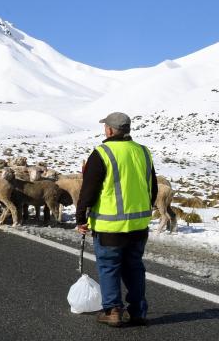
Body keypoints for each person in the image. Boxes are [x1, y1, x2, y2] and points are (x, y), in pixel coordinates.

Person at [76, 112, 157, 327]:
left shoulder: (102, 153)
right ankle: (138, 311)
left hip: (109, 226)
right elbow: (153, 187)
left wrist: (80, 218)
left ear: (110, 130)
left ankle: (112, 310)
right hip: (139, 225)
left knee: (109, 267)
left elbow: (88, 190)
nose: (105, 130)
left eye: (105, 127)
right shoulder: (143, 152)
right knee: (135, 267)